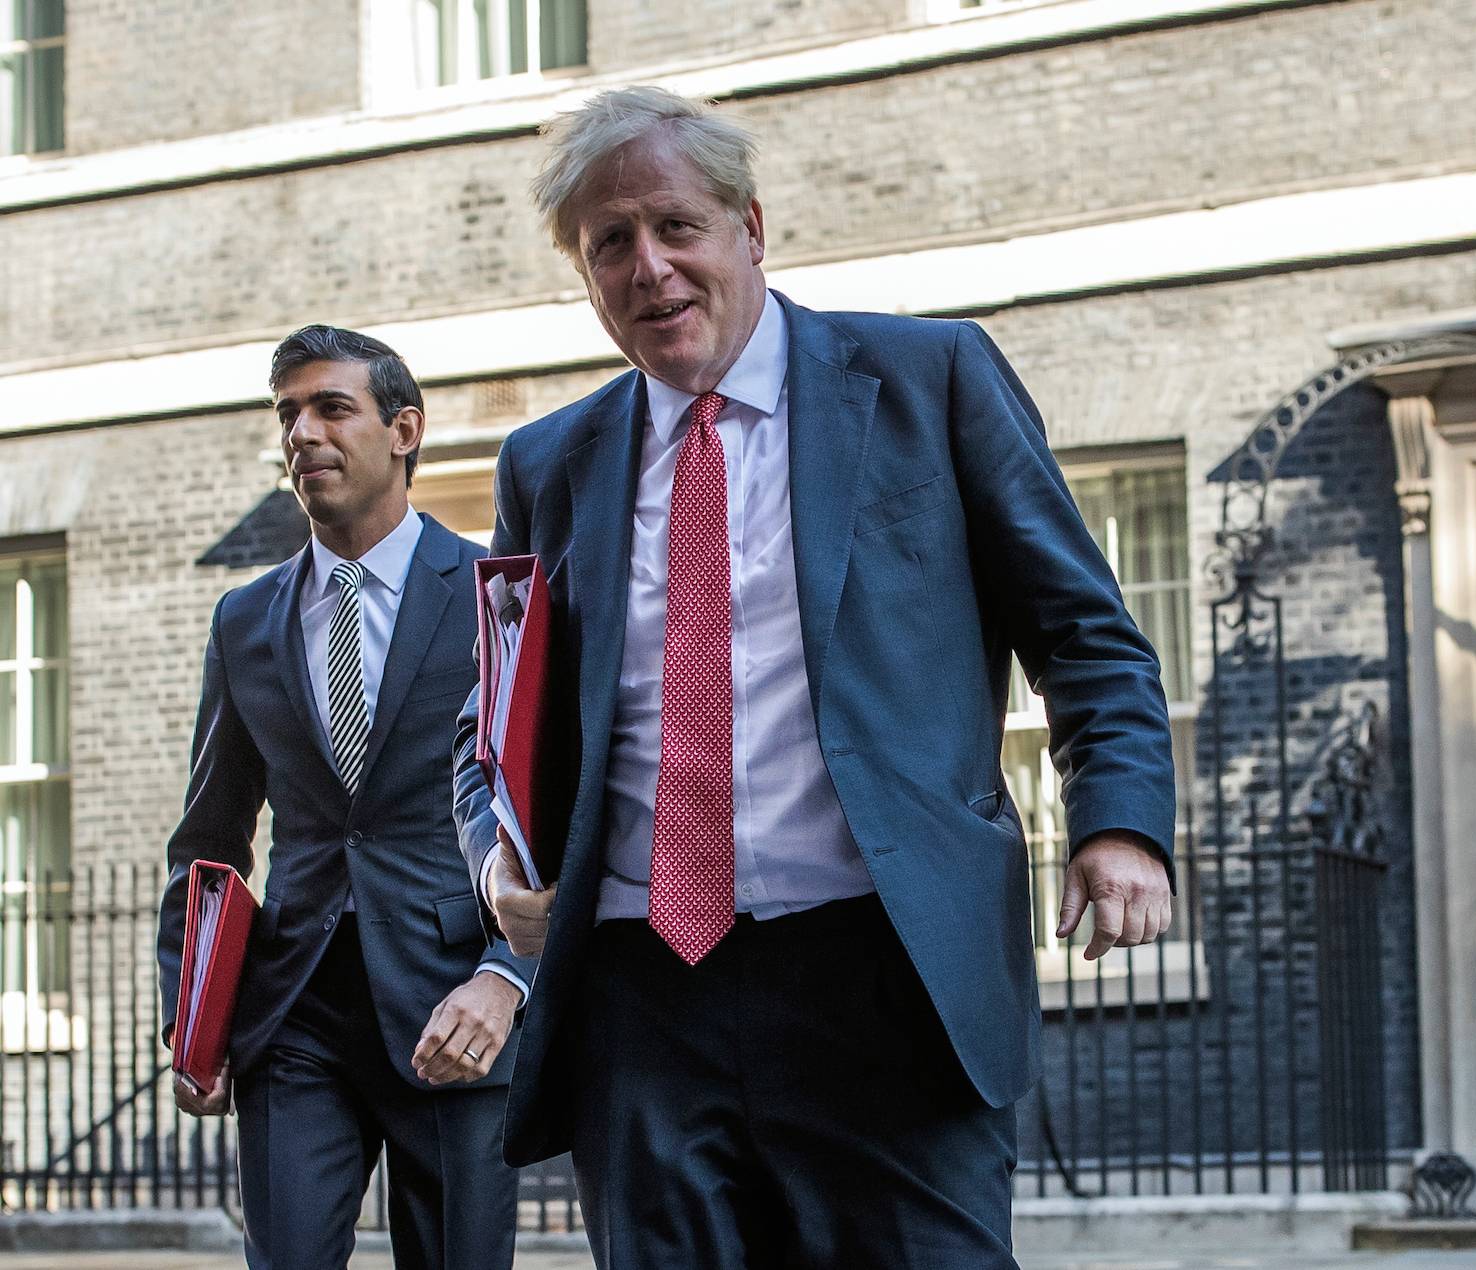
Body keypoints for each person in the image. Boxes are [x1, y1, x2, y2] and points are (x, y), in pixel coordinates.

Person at [452, 86, 1176, 1269]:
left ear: (751, 225)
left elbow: (1083, 630)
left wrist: (1122, 825)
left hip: (882, 973)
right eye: (609, 244)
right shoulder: (550, 462)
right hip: (642, 997)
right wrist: (498, 854)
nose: (649, 267)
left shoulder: (926, 379)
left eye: (674, 226)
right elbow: (495, 712)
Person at [158, 326, 534, 1270]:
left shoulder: (496, 597)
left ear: (404, 429)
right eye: (289, 414)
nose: (304, 434)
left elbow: (544, 814)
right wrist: (190, 1015)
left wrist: (508, 976)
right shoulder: (244, 620)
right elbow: (207, 839)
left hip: (454, 1011)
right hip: (295, 1015)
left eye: (332, 408)